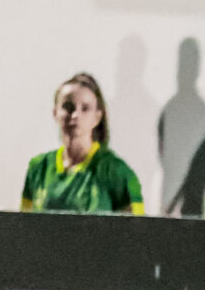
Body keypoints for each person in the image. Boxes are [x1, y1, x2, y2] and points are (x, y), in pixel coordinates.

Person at [21, 73, 146, 214]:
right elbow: (23, 228)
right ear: (55, 112)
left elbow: (137, 232)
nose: (75, 115)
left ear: (97, 117)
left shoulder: (117, 172)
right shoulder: (38, 168)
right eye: (68, 107)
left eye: (85, 108)